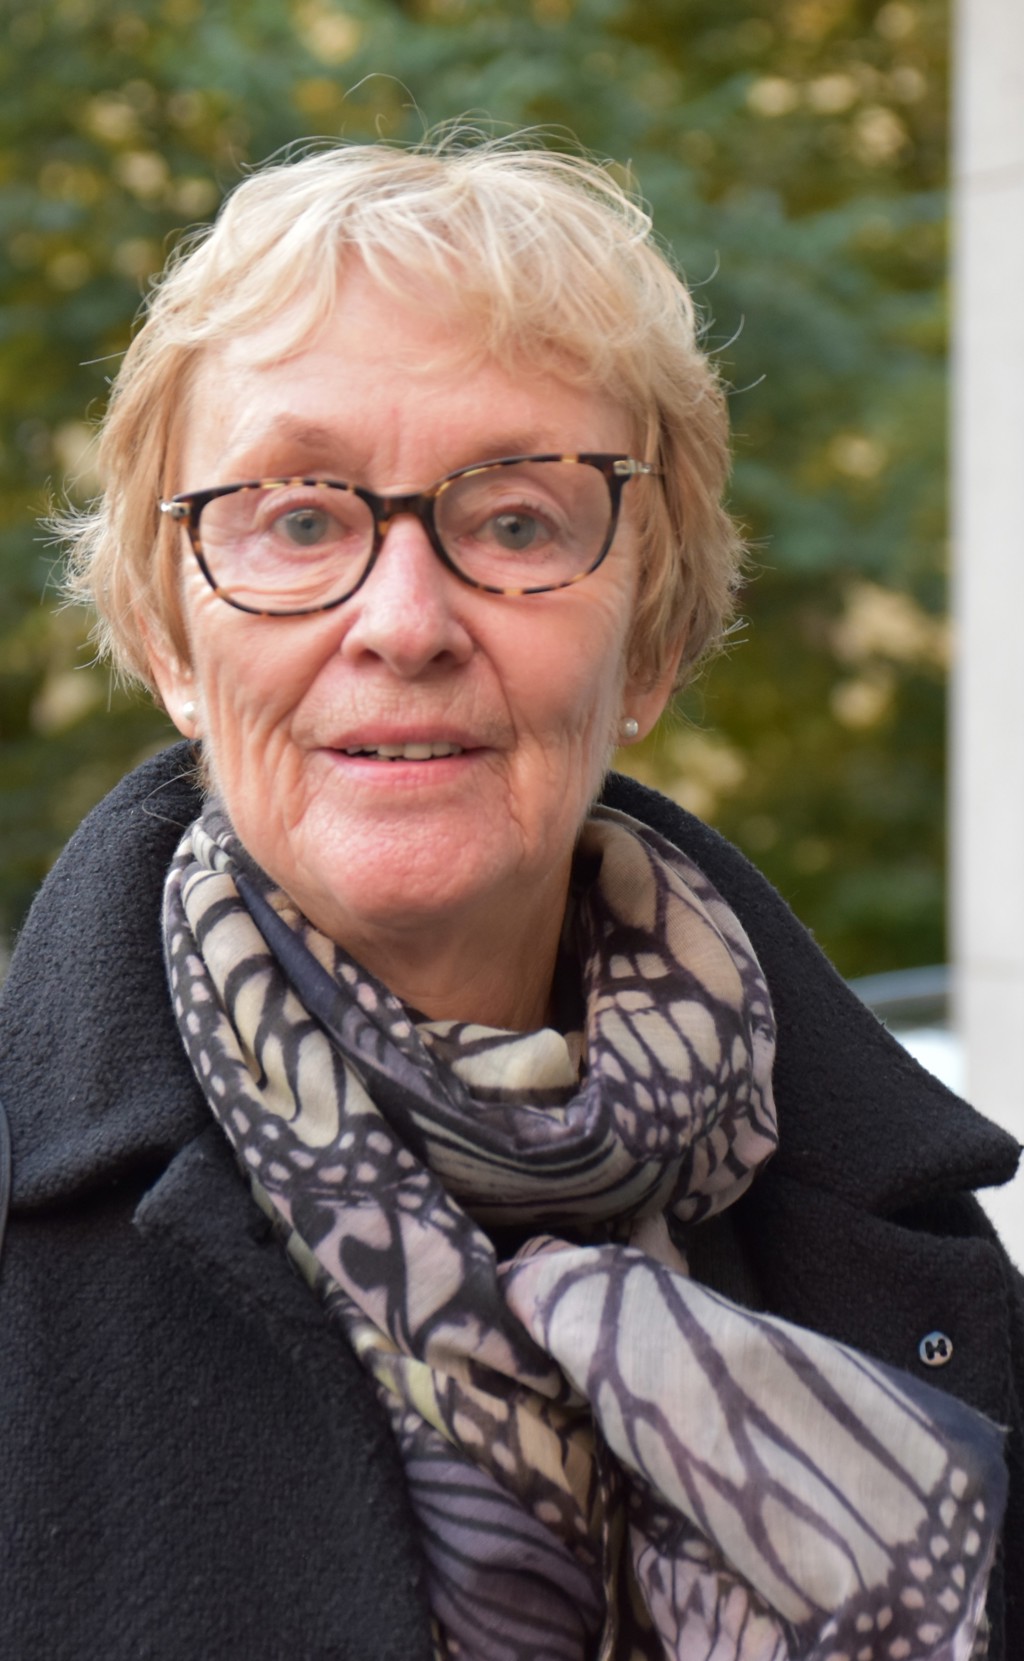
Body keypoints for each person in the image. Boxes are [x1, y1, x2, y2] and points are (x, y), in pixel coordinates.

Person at [0, 135, 1020, 1661]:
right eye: (299, 519)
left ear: (651, 641)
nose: (404, 621)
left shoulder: (892, 1225)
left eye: (518, 521)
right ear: (169, 637)